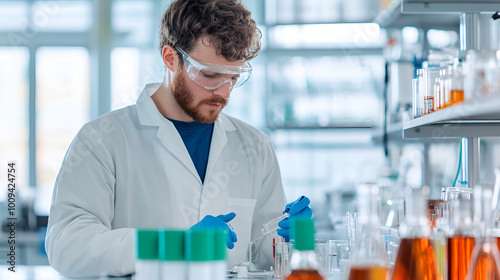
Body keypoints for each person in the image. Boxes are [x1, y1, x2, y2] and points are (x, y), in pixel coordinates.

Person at [45, 0, 312, 277]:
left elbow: (262, 254)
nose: (224, 92)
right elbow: (67, 245)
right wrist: (173, 245)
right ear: (170, 58)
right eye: (209, 75)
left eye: (233, 77)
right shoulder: (102, 140)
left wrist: (289, 238)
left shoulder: (255, 146)